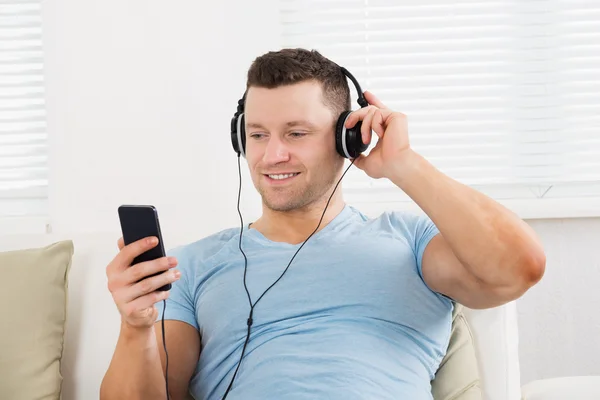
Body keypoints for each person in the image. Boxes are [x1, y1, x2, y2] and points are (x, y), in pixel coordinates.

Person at [100, 48, 546, 400]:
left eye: (296, 133)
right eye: (257, 135)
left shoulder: (409, 242)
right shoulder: (194, 264)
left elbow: (520, 267)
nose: (272, 155)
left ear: (346, 137)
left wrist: (405, 165)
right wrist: (136, 326)